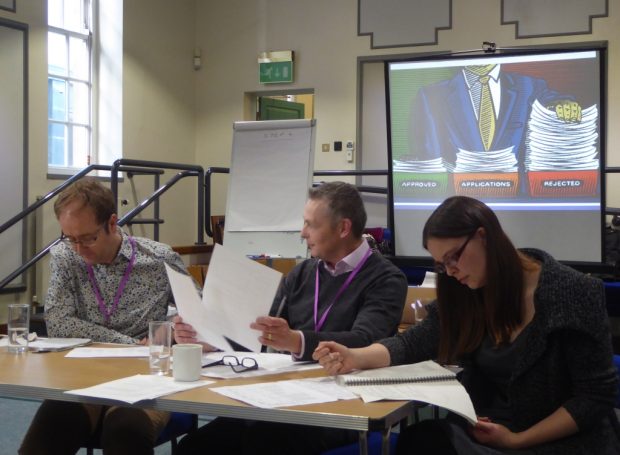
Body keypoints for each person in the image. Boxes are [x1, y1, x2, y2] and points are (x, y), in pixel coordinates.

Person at [314, 195, 620, 455]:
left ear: (484, 236)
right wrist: (356, 356)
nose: (451, 271)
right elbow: (413, 342)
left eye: (454, 257)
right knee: (420, 440)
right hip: (488, 434)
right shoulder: (468, 292)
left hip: (559, 441)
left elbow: (594, 399)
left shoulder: (572, 292)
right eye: (442, 265)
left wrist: (517, 440)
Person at [174, 181, 408, 454]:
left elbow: (364, 340)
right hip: (286, 394)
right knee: (196, 447)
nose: (302, 233)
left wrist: (295, 340)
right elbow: (263, 333)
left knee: (265, 440)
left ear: (343, 228)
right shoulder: (303, 273)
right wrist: (209, 339)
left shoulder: (386, 278)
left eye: (311, 225)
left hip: (345, 401)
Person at [19, 178, 191, 455]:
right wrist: (128, 343)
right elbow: (59, 322)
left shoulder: (159, 260)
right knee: (48, 431)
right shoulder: (65, 256)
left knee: (125, 432)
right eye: (70, 238)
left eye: (87, 238)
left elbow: (198, 318)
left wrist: (173, 329)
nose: (78, 248)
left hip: (145, 377)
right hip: (85, 374)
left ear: (112, 223)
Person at [408, 63, 582, 169]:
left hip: (520, 199)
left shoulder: (529, 85)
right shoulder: (432, 93)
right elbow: (428, 154)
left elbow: (552, 98)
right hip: (459, 199)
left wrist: (563, 102)